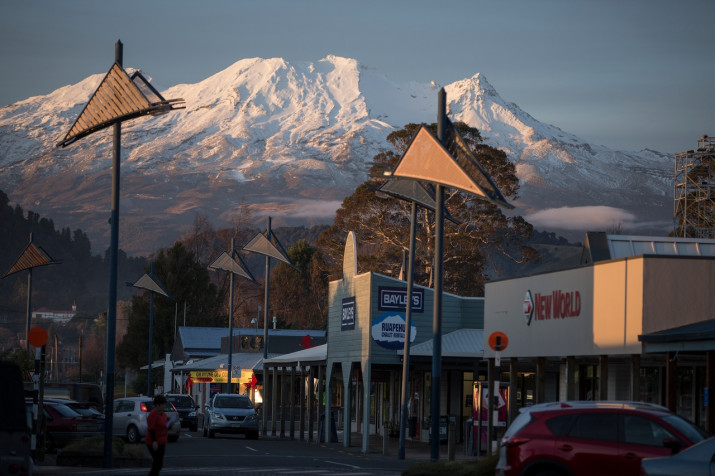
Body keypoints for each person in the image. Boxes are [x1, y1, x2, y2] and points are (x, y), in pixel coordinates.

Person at [146, 394, 168, 476]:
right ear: (157, 405)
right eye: (162, 404)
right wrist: (154, 441)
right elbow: (151, 429)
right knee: (157, 462)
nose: (164, 406)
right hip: (153, 442)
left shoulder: (164, 415)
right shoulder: (152, 415)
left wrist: (170, 424)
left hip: (162, 441)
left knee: (159, 463)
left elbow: (164, 426)